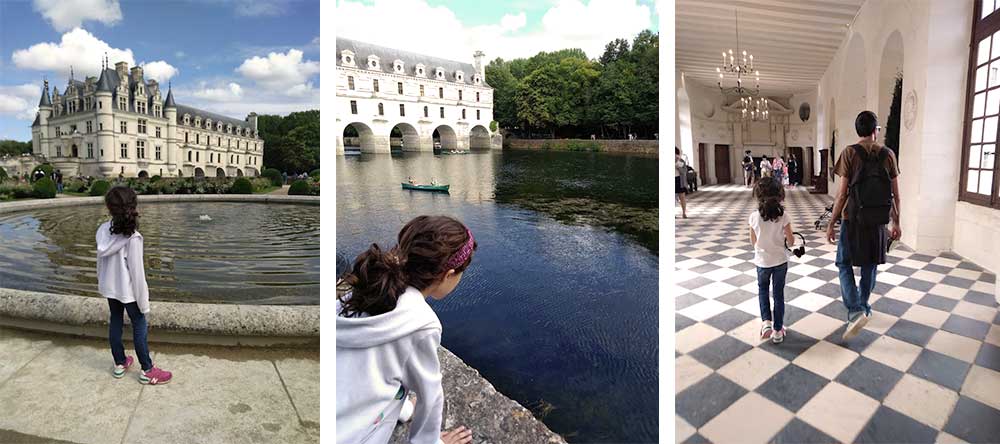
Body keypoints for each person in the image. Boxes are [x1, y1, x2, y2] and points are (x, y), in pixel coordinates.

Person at [337, 216, 477, 444]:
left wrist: (401, 410)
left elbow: (364, 376)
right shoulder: (421, 323)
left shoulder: (360, 292)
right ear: (448, 275)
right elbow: (429, 396)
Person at [826, 111, 901, 340]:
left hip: (853, 219)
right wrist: (897, 222)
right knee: (870, 265)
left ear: (858, 130)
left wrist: (831, 222)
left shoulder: (849, 153)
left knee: (843, 263)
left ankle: (856, 310)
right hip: (878, 220)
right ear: (874, 130)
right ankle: (864, 306)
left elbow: (841, 195)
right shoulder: (888, 154)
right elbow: (896, 195)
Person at [96, 186, 172, 385]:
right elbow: (138, 275)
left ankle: (120, 363)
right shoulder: (134, 238)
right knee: (139, 324)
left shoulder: (103, 230)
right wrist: (144, 302)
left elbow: (100, 262)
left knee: (115, 321)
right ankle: (147, 369)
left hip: (111, 288)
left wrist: (103, 284)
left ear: (109, 208)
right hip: (129, 292)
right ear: (133, 207)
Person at [749, 176, 795, 344]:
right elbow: (791, 242)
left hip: (761, 261)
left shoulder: (754, 217)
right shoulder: (784, 216)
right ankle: (778, 330)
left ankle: (766, 324)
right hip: (780, 261)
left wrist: (762, 247)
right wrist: (784, 242)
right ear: (780, 195)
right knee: (778, 294)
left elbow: (752, 241)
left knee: (763, 291)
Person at [675, 147, 688, 218]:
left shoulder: (681, 161)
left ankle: (684, 213)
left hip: (679, 180)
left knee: (682, 197)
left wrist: (678, 167)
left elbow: (684, 172)